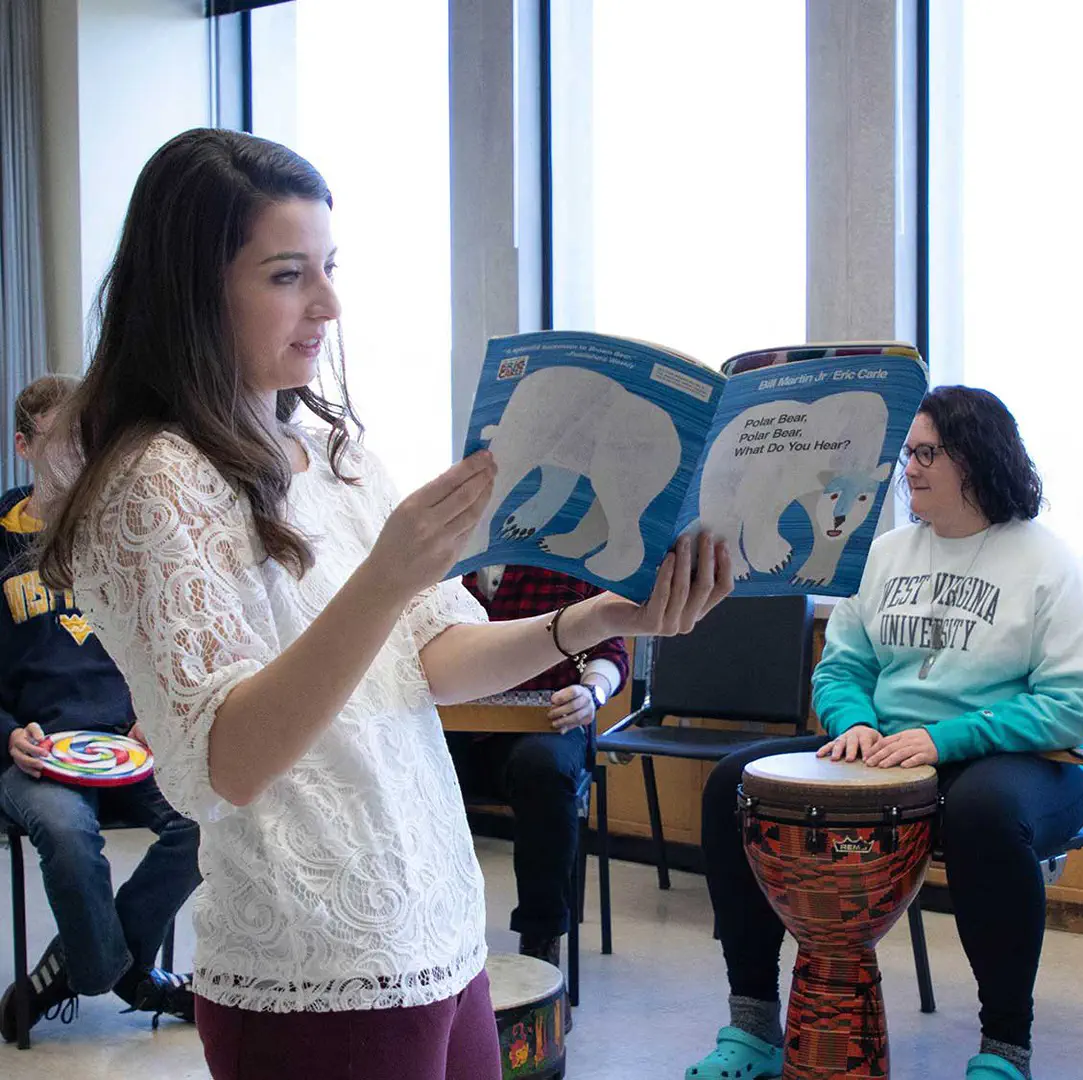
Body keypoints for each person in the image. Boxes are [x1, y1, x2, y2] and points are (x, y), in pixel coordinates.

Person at [35, 128, 731, 1079]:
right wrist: (386, 576)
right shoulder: (156, 482)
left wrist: (603, 618)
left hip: (436, 922)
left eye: (329, 267)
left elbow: (440, 657)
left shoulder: (335, 452)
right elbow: (228, 761)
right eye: (287, 275)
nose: (326, 304)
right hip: (313, 957)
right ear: (194, 291)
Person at [685, 386, 1083, 1080]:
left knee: (982, 814)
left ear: (978, 457)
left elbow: (1071, 704)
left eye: (927, 452)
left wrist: (945, 741)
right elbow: (842, 666)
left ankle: (1004, 1051)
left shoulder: (1050, 564)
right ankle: (753, 1027)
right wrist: (853, 724)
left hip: (1030, 759)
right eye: (907, 452)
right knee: (737, 784)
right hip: (889, 751)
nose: (908, 467)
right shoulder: (884, 555)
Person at [0, 374, 199, 1043]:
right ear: (24, 446)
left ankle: (87, 965)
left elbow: (164, 638)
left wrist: (156, 706)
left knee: (208, 816)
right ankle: (125, 973)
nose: (77, 455)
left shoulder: (122, 533)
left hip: (130, 743)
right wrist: (7, 737)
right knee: (62, 833)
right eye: (59, 441)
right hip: (35, 755)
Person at [448, 564, 630, 967]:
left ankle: (541, 942)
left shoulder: (568, 555)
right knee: (409, 756)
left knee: (542, 768)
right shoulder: (451, 562)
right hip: (459, 723)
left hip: (549, 723)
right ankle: (429, 931)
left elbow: (609, 652)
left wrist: (591, 693)